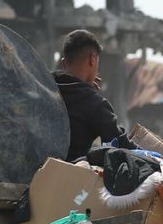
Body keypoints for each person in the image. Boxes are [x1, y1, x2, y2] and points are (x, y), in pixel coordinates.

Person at [53, 29, 133, 161]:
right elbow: (122, 146)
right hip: (67, 176)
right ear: (92, 59)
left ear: (63, 63)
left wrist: (81, 85)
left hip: (33, 172)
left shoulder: (44, 85)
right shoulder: (95, 104)